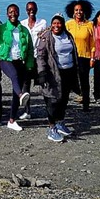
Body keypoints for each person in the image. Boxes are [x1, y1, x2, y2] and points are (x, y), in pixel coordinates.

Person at [0, 4, 35, 132]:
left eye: (15, 11)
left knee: (15, 87)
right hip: (5, 60)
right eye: (10, 12)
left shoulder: (24, 30)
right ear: (7, 14)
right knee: (14, 76)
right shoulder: (1, 28)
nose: (13, 14)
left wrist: (29, 65)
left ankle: (12, 120)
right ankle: (21, 95)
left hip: (20, 62)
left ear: (19, 13)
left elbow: (30, 49)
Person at [36, 14, 80, 142]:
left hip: (68, 72)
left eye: (59, 23)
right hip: (52, 74)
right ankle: (52, 127)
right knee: (52, 101)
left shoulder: (68, 35)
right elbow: (40, 56)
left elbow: (73, 52)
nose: (57, 26)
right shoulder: (46, 38)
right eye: (54, 23)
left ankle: (60, 123)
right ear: (51, 24)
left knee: (64, 99)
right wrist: (42, 73)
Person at [64, 0, 95, 112]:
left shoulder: (90, 25)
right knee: (68, 80)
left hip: (84, 57)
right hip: (70, 56)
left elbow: (93, 43)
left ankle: (86, 104)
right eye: (76, 10)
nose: (78, 12)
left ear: (85, 11)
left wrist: (92, 58)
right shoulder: (68, 24)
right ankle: (65, 103)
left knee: (84, 81)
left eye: (81, 10)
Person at [19, 1, 47, 119]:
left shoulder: (42, 23)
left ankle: (49, 109)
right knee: (25, 84)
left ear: (37, 10)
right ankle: (27, 111)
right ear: (26, 10)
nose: (31, 11)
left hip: (39, 57)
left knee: (43, 83)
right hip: (27, 58)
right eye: (29, 9)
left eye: (33, 9)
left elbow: (44, 37)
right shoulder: (22, 24)